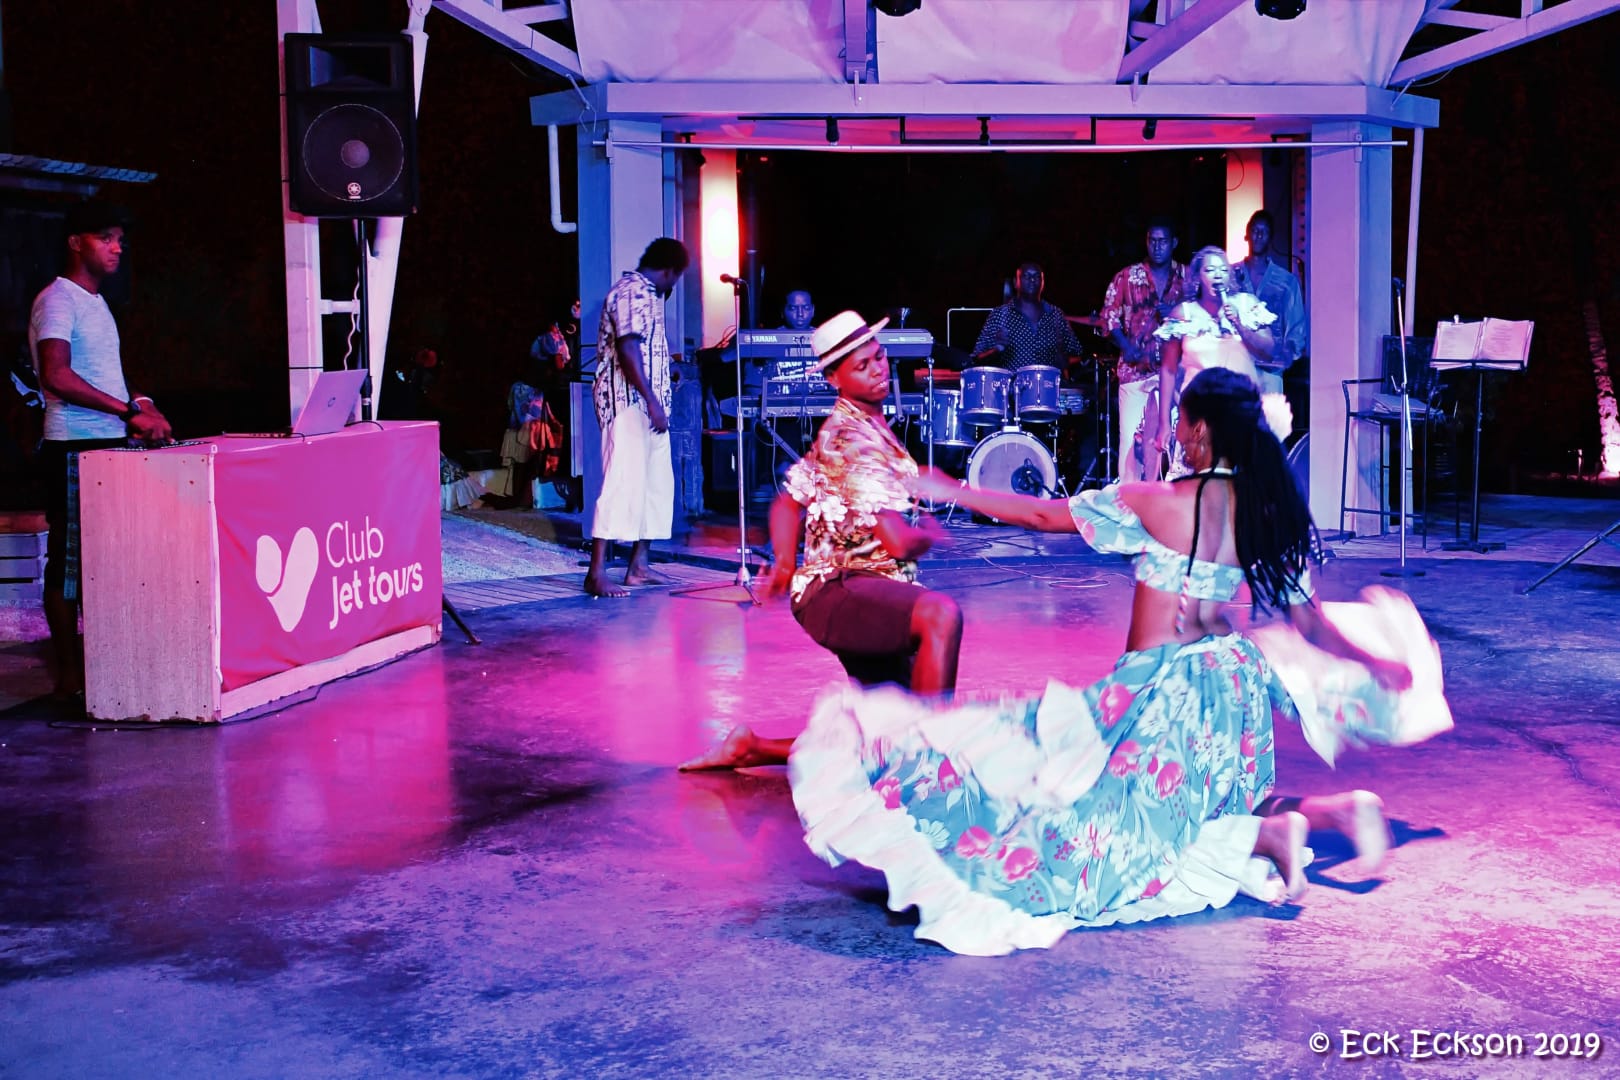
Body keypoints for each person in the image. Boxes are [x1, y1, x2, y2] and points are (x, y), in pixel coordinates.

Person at [782, 368, 1450, 955]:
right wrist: (1377, 664)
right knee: (1204, 802)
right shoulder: (1265, 509)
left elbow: (1041, 516)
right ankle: (1337, 811)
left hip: (1162, 691)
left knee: (1088, 825)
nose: (1175, 434)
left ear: (1198, 431)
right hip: (1233, 688)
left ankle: (1272, 834)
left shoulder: (1157, 501)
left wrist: (955, 490)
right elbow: (1310, 621)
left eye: (1180, 421)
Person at [680, 311, 964, 771]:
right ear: (834, 378)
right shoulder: (851, 438)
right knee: (940, 615)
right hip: (840, 588)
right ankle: (931, 772)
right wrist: (928, 534)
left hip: (860, 589)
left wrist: (784, 563)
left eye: (879, 357)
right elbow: (897, 542)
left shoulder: (855, 426)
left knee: (888, 736)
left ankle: (751, 748)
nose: (878, 370)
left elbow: (787, 502)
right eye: (862, 366)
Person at [29, 201, 173, 700]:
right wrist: (128, 411)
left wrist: (141, 403)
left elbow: (102, 375)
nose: (116, 249)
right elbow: (57, 374)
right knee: (69, 564)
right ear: (75, 243)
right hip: (75, 443)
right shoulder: (58, 299)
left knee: (103, 561)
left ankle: (102, 668)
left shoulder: (96, 302)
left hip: (105, 440)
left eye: (119, 241)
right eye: (105, 238)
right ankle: (69, 678)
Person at [585, 238, 690, 598]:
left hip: (650, 406)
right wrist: (651, 400)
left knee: (654, 486)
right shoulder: (630, 291)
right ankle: (596, 573)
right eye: (676, 278)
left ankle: (639, 567)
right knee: (621, 484)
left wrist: (665, 375)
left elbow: (645, 349)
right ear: (669, 271)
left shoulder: (649, 295)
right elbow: (628, 348)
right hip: (628, 403)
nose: (673, 285)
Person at [1150, 247, 1277, 477]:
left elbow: (1268, 351)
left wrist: (1238, 324)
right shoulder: (1184, 313)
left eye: (1223, 270)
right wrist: (1164, 423)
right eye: (1210, 270)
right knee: (1195, 481)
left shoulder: (1246, 304)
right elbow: (1168, 369)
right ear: (1198, 277)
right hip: (1198, 413)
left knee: (1242, 482)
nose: (1218, 275)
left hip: (1240, 410)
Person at [1102, 218, 1189, 483]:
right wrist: (1125, 346)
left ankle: (1173, 499)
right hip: (1135, 371)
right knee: (1131, 443)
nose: (1157, 246)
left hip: (1176, 372)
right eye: (1152, 240)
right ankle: (1128, 499)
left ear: (1174, 243)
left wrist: (1176, 313)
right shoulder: (1127, 276)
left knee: (1178, 444)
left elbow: (1201, 316)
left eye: (1163, 241)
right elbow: (1108, 317)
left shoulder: (1187, 277)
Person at [1230, 210, 1307, 395]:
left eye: (1264, 231)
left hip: (1271, 368)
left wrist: (1288, 354)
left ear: (1271, 237)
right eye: (1255, 230)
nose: (1258, 235)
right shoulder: (1230, 275)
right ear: (1246, 234)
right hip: (1235, 364)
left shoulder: (1286, 281)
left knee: (1270, 413)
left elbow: (1296, 326)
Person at [970, 263, 1085, 372]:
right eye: (1026, 276)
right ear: (1016, 282)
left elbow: (1077, 354)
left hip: (1048, 384)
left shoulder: (1056, 315)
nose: (1032, 279)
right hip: (1012, 385)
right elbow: (977, 358)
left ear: (1043, 283)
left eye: (1037, 276)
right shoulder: (1000, 315)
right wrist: (997, 349)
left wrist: (1063, 359)